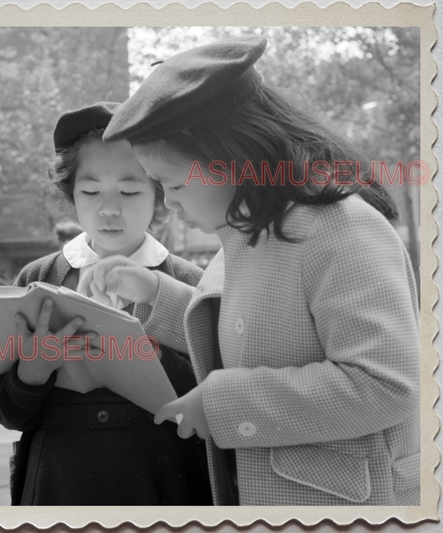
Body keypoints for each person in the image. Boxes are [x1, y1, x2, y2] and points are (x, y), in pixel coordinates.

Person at [82, 36, 421, 506]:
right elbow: (247, 329)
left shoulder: (339, 229)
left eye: (173, 183)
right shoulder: (246, 227)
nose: (170, 202)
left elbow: (387, 383)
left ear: (233, 157)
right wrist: (153, 290)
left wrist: (223, 404)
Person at [0, 102, 212, 506]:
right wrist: (31, 374)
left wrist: (140, 353)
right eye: (90, 191)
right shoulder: (37, 280)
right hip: (60, 485)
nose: (109, 208)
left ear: (161, 193)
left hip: (163, 482)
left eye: (129, 190)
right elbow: (6, 413)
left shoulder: (191, 284)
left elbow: (213, 400)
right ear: (70, 195)